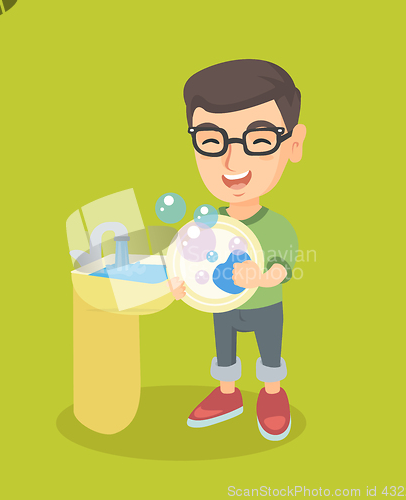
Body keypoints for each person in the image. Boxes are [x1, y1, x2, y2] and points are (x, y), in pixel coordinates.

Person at [170, 59, 306, 441]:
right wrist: (178, 282)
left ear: (293, 144)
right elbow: (189, 258)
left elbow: (283, 265)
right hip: (222, 306)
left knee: (270, 354)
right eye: (212, 140)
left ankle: (272, 395)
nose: (233, 162)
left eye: (259, 139)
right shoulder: (206, 222)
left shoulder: (277, 225)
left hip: (265, 307)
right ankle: (227, 394)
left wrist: (264, 276)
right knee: (224, 350)